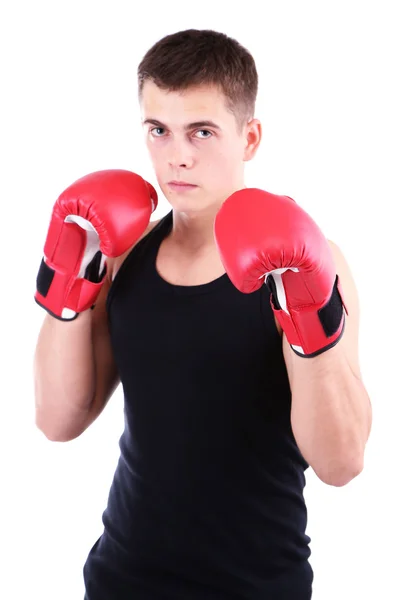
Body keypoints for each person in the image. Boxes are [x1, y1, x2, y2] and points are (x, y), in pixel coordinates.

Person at [33, 28, 372, 600]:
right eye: (158, 131)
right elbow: (59, 420)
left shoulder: (310, 259)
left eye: (202, 131)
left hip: (257, 585)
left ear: (250, 136)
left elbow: (341, 462)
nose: (178, 155)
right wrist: (71, 273)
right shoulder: (123, 253)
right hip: (122, 578)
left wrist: (305, 308)